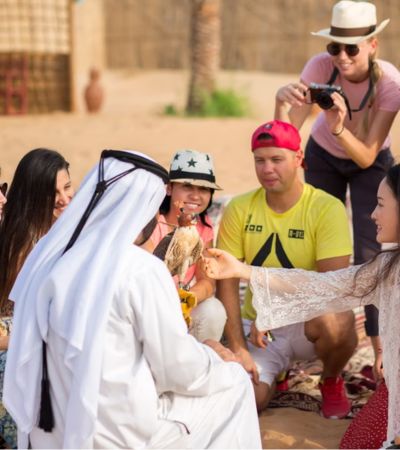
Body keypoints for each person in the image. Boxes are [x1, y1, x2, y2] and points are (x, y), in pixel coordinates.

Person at [3, 150, 261, 449]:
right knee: (236, 384)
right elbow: (177, 369)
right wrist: (216, 360)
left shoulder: (51, 254)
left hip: (51, 430)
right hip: (114, 435)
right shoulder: (139, 270)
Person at [203, 163, 400, 449]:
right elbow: (320, 286)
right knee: (356, 445)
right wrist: (244, 271)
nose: (372, 214)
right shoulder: (387, 265)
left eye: (381, 205)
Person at [274, 0, 400, 380]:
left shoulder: (390, 84)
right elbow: (284, 140)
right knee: (318, 242)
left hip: (370, 160)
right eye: (334, 47)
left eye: (352, 48)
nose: (342, 57)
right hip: (324, 155)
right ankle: (309, 340)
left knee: (375, 251)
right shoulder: (319, 68)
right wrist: (281, 104)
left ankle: (381, 357)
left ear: (373, 45)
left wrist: (340, 125)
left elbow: (365, 158)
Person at [217, 119, 357, 418]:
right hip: (258, 332)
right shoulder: (239, 208)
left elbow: (332, 286)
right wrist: (239, 348)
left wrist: (277, 310)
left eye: (277, 159)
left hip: (308, 324)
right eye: (260, 160)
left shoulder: (326, 207)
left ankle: (331, 380)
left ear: (299, 159)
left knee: (339, 319)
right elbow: (225, 281)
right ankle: (276, 374)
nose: (267, 169)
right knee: (248, 402)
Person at [0, 148, 73, 449]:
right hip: (17, 344)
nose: (64, 199)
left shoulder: (66, 232)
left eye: (67, 187)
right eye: (51, 192)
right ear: (32, 195)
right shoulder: (25, 244)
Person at [151, 149, 227, 341]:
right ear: (169, 188)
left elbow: (208, 281)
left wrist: (186, 299)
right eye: (187, 186)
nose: (195, 195)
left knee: (213, 310)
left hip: (180, 304)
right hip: (149, 307)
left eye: (203, 189)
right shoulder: (151, 222)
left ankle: (200, 366)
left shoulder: (203, 226)